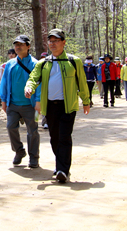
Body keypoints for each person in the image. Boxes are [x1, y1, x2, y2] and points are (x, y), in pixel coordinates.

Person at [24, 29, 90, 184]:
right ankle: (61, 164)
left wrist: (86, 101)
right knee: (54, 138)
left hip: (68, 106)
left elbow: (82, 82)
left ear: (64, 42)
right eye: (50, 41)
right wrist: (29, 87)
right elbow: (33, 78)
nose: (52, 44)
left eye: (56, 41)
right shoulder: (44, 63)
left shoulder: (74, 61)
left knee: (64, 137)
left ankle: (62, 170)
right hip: (50, 107)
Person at [0, 35, 41, 168]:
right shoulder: (10, 64)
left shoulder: (35, 64)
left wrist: (38, 101)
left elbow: (40, 83)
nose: (18, 47)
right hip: (13, 104)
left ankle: (34, 157)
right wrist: (4, 100)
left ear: (28, 46)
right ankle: (19, 151)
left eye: (21, 44)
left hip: (30, 104)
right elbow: (4, 83)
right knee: (10, 127)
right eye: (16, 44)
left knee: (32, 131)